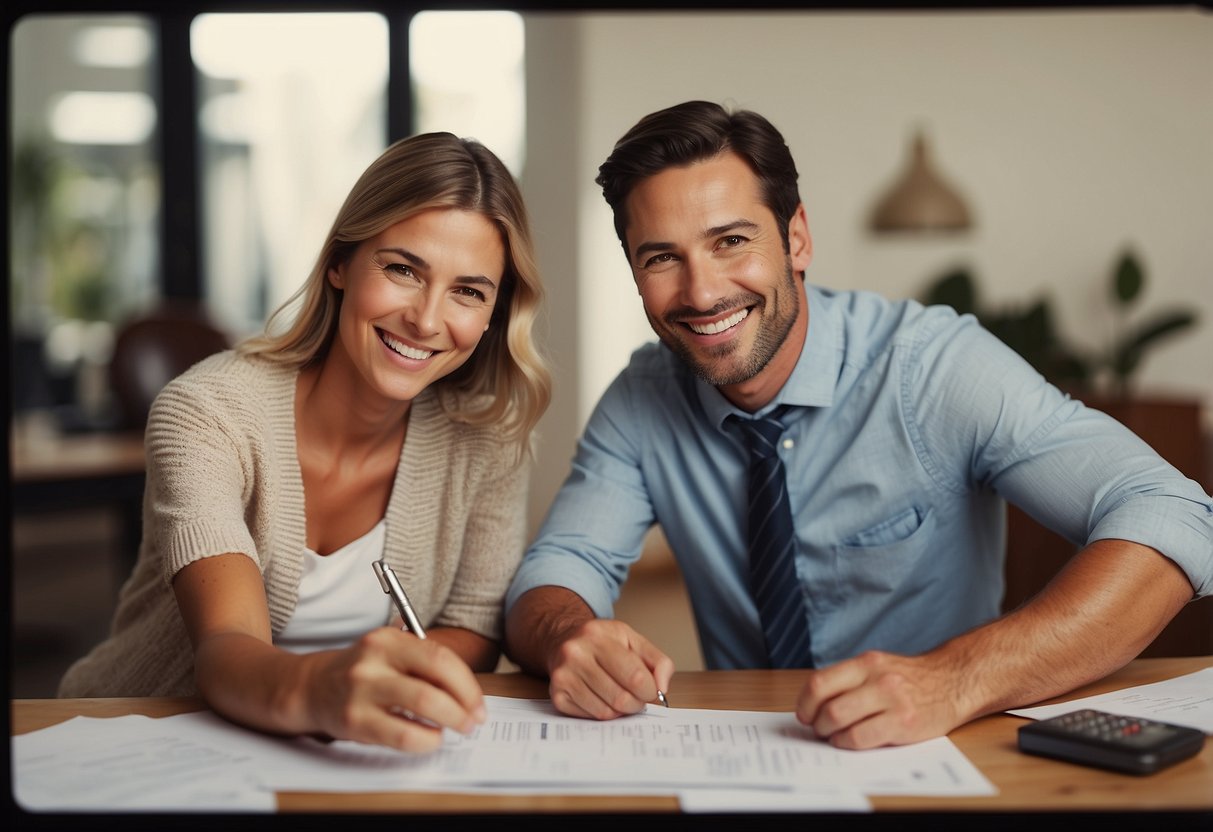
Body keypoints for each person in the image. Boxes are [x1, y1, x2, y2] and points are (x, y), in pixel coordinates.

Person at [503, 100, 1213, 749]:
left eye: (730, 242)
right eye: (661, 258)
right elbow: (557, 571)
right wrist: (570, 636)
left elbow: (1173, 513)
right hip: (753, 755)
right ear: (635, 273)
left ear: (797, 239)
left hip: (950, 747)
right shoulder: (641, 398)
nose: (702, 291)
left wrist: (953, 679)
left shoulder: (931, 367)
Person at [59, 132, 552, 754]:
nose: (427, 320)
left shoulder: (490, 442)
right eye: (403, 269)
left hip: (341, 755)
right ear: (340, 264)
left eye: (468, 291)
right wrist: (332, 689)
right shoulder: (206, 414)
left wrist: (368, 691)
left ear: (492, 317)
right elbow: (226, 648)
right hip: (136, 739)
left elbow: (472, 626)